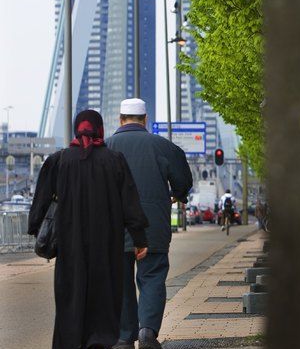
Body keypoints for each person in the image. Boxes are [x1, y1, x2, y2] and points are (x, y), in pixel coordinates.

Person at [28, 110, 149, 349]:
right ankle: (100, 342)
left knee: (71, 295)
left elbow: (41, 200)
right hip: (106, 245)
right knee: (104, 296)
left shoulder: (59, 160)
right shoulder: (115, 161)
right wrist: (139, 238)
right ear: (100, 129)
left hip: (69, 244)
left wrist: (35, 229)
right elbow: (130, 204)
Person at [108, 99, 193, 349]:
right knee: (153, 277)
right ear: (145, 119)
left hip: (115, 229)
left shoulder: (106, 148)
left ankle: (124, 337)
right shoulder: (163, 146)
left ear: (120, 119)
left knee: (120, 281)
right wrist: (177, 194)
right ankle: (147, 332)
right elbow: (183, 179)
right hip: (153, 226)